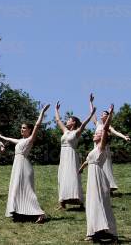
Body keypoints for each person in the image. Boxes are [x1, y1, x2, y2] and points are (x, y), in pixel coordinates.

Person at [0, 104, 50, 223]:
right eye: (21, 128)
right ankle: (18, 212)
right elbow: (11, 139)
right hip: (17, 166)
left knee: (27, 190)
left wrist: (42, 112)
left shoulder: (30, 140)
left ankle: (40, 214)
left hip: (24, 167)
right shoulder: (21, 140)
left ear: (30, 130)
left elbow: (37, 125)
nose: (22, 129)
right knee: (16, 188)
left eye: (24, 128)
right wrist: (1, 136)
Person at [79, 104, 118, 242]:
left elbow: (105, 128)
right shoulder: (93, 150)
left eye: (97, 133)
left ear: (101, 137)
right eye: (95, 133)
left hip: (99, 178)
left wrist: (111, 114)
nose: (94, 134)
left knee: (100, 202)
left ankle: (109, 232)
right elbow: (88, 160)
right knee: (91, 203)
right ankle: (93, 232)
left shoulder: (101, 148)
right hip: (91, 178)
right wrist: (81, 168)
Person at [54, 97, 94, 210]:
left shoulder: (77, 132)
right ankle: (62, 203)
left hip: (71, 156)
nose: (66, 121)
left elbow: (84, 124)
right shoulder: (65, 131)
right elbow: (58, 120)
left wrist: (91, 115)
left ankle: (80, 202)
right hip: (63, 156)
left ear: (73, 122)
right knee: (62, 177)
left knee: (73, 177)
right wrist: (56, 109)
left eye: (69, 120)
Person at [90, 93, 130, 193]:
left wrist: (124, 137)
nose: (101, 115)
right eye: (102, 114)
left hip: (104, 149)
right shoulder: (98, 124)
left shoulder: (108, 127)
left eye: (104, 114)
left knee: (105, 167)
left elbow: (116, 132)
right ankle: (100, 186)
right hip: (96, 147)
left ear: (107, 117)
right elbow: (92, 116)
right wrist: (91, 102)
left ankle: (108, 187)